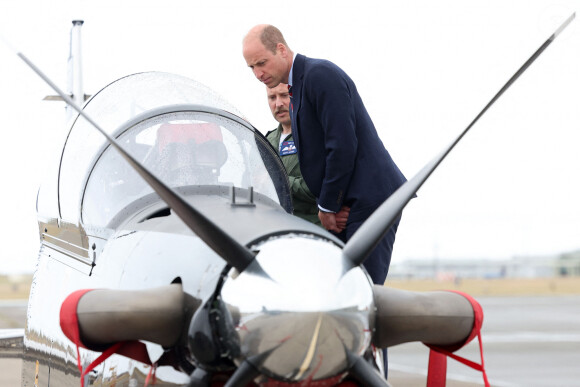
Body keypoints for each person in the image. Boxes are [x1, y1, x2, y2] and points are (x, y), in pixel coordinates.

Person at [243, 25, 407, 287]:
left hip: (370, 200)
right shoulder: (299, 86)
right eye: (251, 67)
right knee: (333, 290)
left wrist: (328, 206)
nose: (258, 74)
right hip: (349, 204)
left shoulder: (320, 75)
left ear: (281, 50)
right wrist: (331, 206)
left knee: (361, 295)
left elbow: (341, 146)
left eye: (261, 63)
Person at [265, 83, 350, 228]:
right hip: (273, 229)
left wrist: (278, 180)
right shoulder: (265, 140)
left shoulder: (315, 137)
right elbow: (251, 183)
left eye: (284, 96)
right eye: (272, 98)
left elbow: (320, 188)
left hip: (312, 229)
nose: (278, 104)